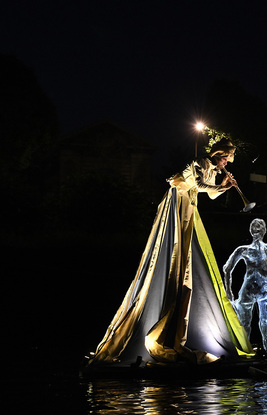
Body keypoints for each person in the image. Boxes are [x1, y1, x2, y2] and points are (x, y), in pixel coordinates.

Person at [88, 138, 254, 368]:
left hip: (191, 203)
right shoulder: (200, 162)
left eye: (228, 159)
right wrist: (218, 186)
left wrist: (225, 185)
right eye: (225, 158)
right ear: (217, 154)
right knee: (178, 243)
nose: (226, 162)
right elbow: (197, 186)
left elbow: (212, 194)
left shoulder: (213, 169)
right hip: (179, 200)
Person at [222, 218, 267, 357]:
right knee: (245, 324)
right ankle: (242, 353)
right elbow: (227, 269)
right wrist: (228, 291)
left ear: (264, 230)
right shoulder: (243, 250)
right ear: (250, 231)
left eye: (259, 228)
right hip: (247, 291)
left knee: (265, 323)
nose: (255, 230)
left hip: (265, 291)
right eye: (253, 228)